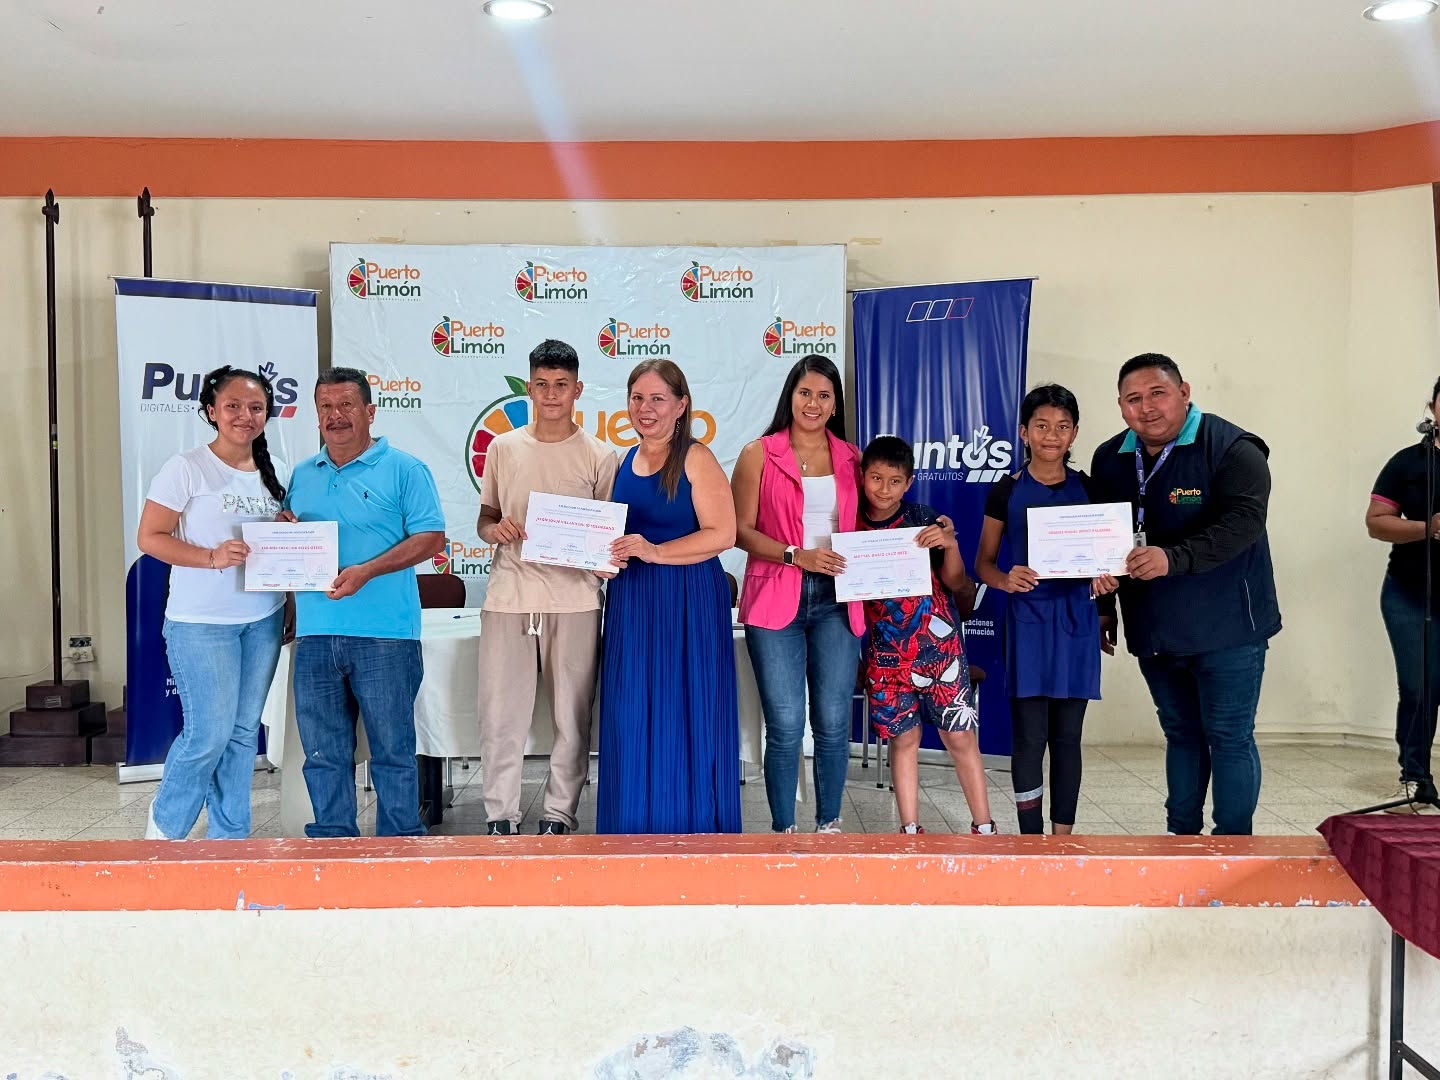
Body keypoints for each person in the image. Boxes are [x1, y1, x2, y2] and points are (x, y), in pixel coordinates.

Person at [1089, 353, 1281, 836]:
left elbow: (1244, 523)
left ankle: (1232, 847)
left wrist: (1172, 558)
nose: (1147, 407)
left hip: (1229, 628)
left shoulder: (1233, 448)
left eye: (1158, 393)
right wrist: (1105, 607)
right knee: (1181, 734)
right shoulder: (1109, 458)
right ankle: (1181, 840)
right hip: (1155, 628)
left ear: (1184, 392)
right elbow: (1102, 539)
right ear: (1120, 406)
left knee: (1229, 737)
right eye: (1133, 399)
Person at [284, 367, 446, 838]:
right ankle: (334, 845)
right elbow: (294, 544)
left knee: (392, 752)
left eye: (346, 405)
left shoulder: (406, 469)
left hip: (385, 635)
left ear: (370, 411)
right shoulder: (302, 475)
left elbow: (431, 538)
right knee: (322, 754)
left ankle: (400, 847)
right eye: (325, 407)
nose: (335, 416)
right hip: (315, 634)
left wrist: (367, 571)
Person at [136, 366, 290, 840]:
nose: (246, 415)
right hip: (200, 623)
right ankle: (166, 830)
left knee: (243, 734)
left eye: (256, 407)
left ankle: (229, 839)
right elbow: (150, 537)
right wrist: (211, 557)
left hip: (262, 620)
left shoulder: (277, 469)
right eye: (233, 406)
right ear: (211, 411)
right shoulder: (186, 468)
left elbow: (282, 546)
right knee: (208, 735)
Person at [475, 339, 618, 836]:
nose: (551, 394)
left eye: (561, 385)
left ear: (578, 389)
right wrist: (495, 531)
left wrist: (604, 559)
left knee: (572, 717)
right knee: (500, 714)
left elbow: (607, 533)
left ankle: (559, 813)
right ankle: (500, 814)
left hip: (575, 600)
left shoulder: (600, 455)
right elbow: (486, 518)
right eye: (541, 384)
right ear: (529, 388)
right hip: (509, 597)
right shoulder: (503, 448)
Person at [598, 360, 741, 834]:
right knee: (631, 712)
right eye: (637, 397)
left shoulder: (697, 458)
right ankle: (630, 828)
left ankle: (693, 829)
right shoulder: (622, 461)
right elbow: (616, 536)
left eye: (658, 398)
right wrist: (601, 557)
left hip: (688, 601)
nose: (646, 408)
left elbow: (723, 534)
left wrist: (655, 552)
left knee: (688, 711)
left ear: (681, 406)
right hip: (632, 603)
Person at [975, 384, 1117, 835]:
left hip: (1077, 623)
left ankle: (1062, 840)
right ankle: (1031, 839)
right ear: (1024, 432)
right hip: (1028, 624)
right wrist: (1004, 579)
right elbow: (983, 563)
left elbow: (1108, 561)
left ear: (1074, 433)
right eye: (1041, 426)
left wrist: (1107, 594)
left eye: (1061, 427)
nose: (1051, 436)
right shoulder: (1005, 491)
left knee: (1068, 739)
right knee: (1029, 738)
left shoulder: (1091, 490)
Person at [733, 354, 864, 834]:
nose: (813, 403)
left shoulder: (853, 458)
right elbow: (738, 530)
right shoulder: (758, 454)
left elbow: (879, 515)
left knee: (832, 721)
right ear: (790, 395)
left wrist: (928, 527)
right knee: (786, 724)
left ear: (835, 404)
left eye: (824, 395)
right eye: (805, 392)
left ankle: (829, 825)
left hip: (839, 599)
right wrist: (795, 555)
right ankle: (783, 831)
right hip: (775, 598)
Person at [858, 436, 994, 835]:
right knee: (904, 739)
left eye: (894, 481)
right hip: (888, 655)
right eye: (876, 478)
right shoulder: (850, 524)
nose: (884, 489)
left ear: (909, 482)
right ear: (862, 476)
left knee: (960, 736)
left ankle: (984, 827)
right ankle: (909, 830)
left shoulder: (923, 518)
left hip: (940, 650)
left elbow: (955, 581)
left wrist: (949, 544)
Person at [1365, 377, 1440, 812]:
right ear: (1432, 407)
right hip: (1412, 595)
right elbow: (1377, 522)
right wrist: (1427, 528)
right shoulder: (1409, 463)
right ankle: (1415, 777)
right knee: (1419, 686)